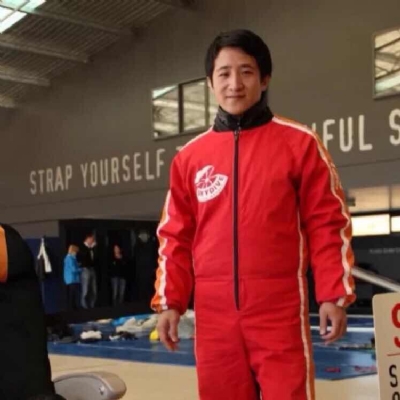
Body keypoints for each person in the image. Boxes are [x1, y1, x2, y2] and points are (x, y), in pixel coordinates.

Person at [150, 29, 356, 400]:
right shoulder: (189, 158)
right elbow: (175, 236)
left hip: (279, 309)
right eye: (224, 73)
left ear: (264, 79)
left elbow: (328, 223)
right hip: (213, 316)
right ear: (210, 82)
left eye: (246, 72)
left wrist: (333, 294)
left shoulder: (300, 144)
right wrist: (170, 302)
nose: (235, 84)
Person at [78, 232, 98, 308]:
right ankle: (84, 307)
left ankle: (92, 306)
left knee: (94, 290)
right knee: (85, 290)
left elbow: (95, 258)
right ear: (88, 239)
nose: (93, 241)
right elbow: (82, 256)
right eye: (92, 239)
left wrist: (93, 248)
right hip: (85, 269)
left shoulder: (93, 248)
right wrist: (89, 248)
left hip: (92, 269)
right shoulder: (81, 247)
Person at [63, 244, 81, 310]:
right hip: (72, 279)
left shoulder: (69, 258)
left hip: (70, 279)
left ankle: (73, 307)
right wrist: (81, 269)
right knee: (73, 295)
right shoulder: (70, 258)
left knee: (72, 295)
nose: (76, 253)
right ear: (73, 251)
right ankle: (72, 308)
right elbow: (73, 269)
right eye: (76, 252)